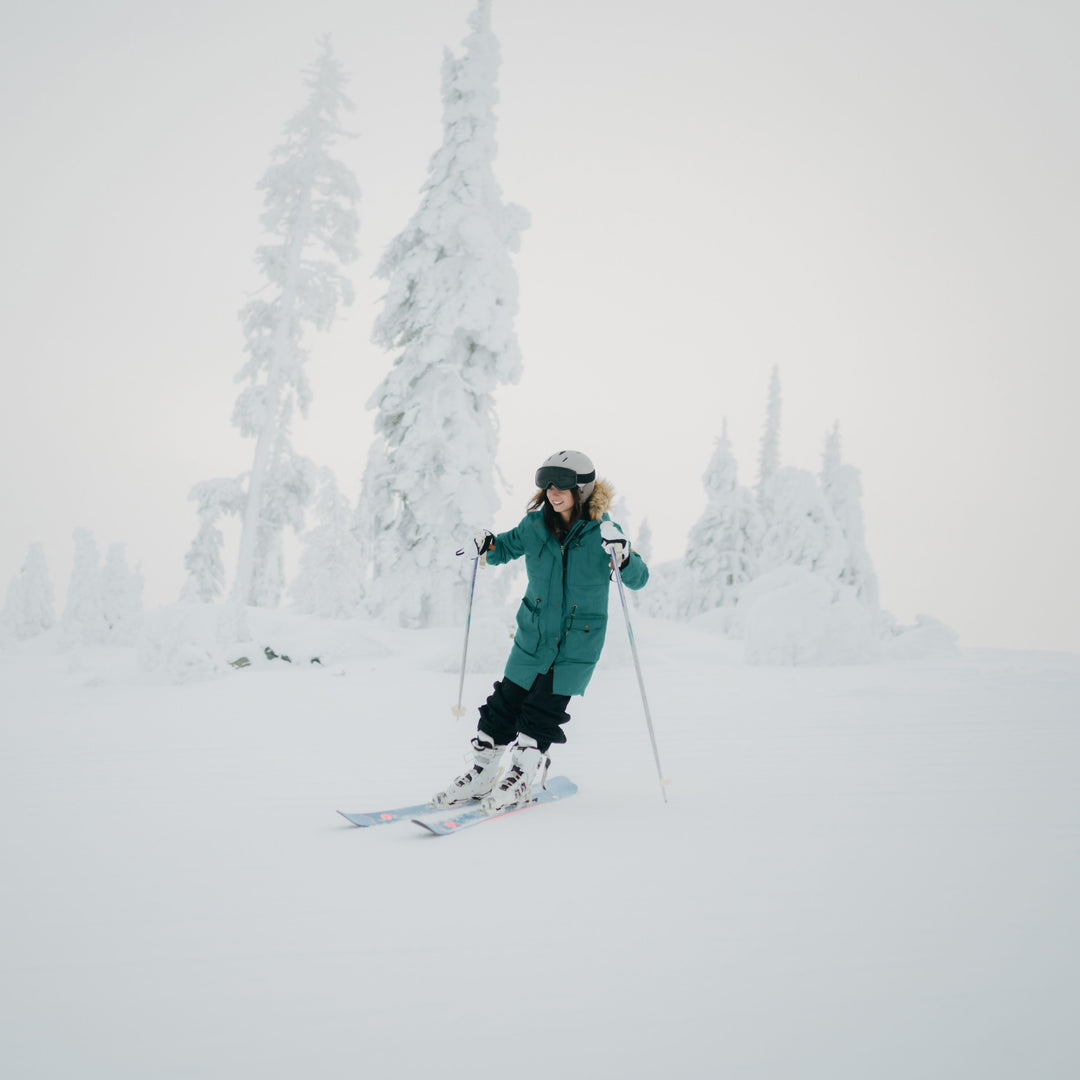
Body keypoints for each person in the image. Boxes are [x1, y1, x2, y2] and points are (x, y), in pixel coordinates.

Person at [432, 449, 649, 811]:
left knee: (541, 712)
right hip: (532, 639)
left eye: (561, 485)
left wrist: (623, 555)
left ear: (582, 488)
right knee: (502, 706)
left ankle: (520, 778)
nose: (552, 492)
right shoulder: (534, 526)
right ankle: (483, 775)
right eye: (547, 484)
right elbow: (502, 548)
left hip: (576, 644)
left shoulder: (605, 533)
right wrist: (486, 543)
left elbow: (638, 578)